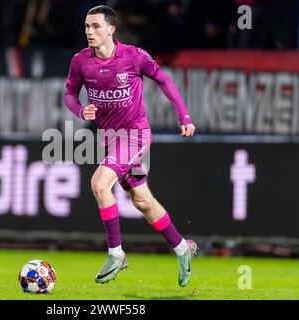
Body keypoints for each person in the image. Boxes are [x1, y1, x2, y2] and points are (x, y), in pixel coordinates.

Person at [63, 5, 198, 287]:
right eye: (87, 26)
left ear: (111, 29)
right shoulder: (80, 62)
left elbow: (163, 80)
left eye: (96, 26)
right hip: (110, 141)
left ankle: (116, 253)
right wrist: (79, 110)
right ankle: (182, 247)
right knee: (143, 201)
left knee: (100, 184)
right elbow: (69, 95)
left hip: (135, 136)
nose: (90, 31)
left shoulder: (134, 57)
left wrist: (184, 116)